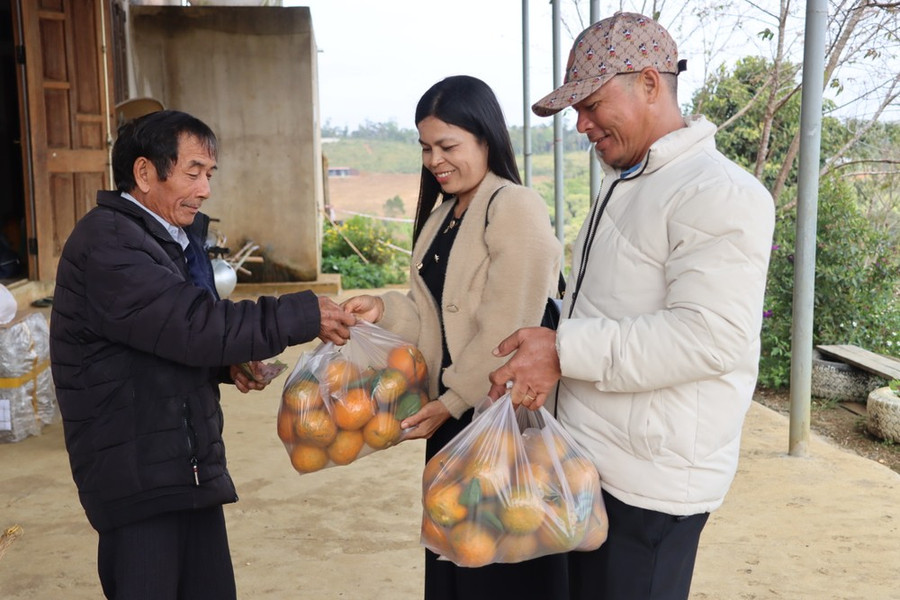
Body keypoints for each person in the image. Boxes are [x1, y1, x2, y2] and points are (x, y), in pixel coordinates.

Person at [488, 12, 776, 600]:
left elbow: (709, 337)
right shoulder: (629, 180)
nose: (582, 125)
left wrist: (563, 351)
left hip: (652, 485)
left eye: (591, 105)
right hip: (599, 463)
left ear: (649, 82)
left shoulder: (718, 193)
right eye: (577, 112)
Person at [49, 109, 356, 600]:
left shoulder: (160, 238)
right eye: (193, 173)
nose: (205, 189)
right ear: (145, 173)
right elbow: (191, 324)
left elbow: (161, 333)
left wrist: (224, 363)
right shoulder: (109, 243)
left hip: (180, 467)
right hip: (138, 478)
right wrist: (303, 315)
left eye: (209, 174)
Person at [342, 75, 566, 600]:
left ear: (485, 138)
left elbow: (507, 327)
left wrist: (453, 401)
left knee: (500, 562)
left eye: (447, 146)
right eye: (425, 147)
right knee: (457, 557)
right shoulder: (445, 213)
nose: (434, 160)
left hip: (496, 413)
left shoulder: (513, 205)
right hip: (456, 415)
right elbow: (430, 315)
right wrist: (382, 309)